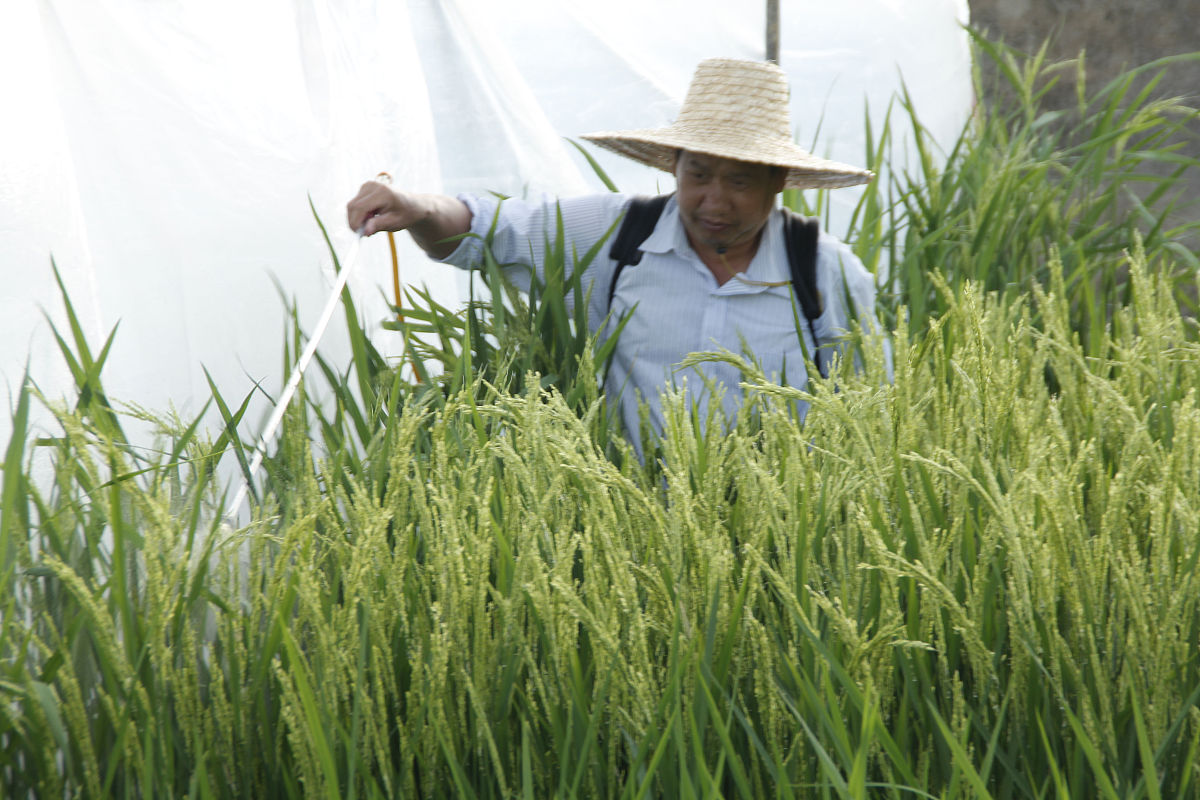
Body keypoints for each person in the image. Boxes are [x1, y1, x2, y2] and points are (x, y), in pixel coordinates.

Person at [347, 57, 889, 457]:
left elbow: (872, 411)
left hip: (780, 538)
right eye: (697, 174)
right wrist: (415, 207)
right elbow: (485, 229)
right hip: (633, 529)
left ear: (779, 183)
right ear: (673, 164)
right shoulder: (617, 235)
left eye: (740, 182)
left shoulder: (825, 271)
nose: (713, 201)